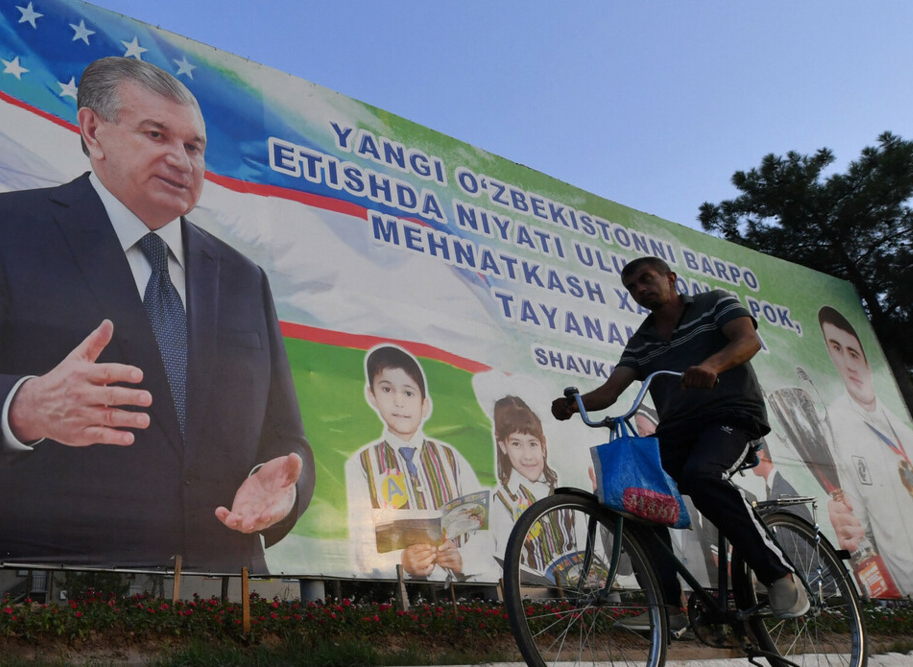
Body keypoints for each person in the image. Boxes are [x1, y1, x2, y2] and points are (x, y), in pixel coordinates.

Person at [0, 57, 314, 573]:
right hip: (37, 595)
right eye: (156, 135)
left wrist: (285, 490)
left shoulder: (243, 278)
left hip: (226, 596)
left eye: (194, 147)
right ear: (93, 131)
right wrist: (25, 407)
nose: (181, 160)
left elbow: (288, 437)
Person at [550, 256, 808, 630]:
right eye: (632, 287)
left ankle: (780, 577)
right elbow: (610, 391)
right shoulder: (642, 341)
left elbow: (748, 339)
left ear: (670, 278)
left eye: (646, 279)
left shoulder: (713, 303)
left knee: (701, 476)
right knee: (634, 494)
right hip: (678, 429)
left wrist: (712, 366)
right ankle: (668, 607)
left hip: (732, 416)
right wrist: (575, 405)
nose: (640, 289)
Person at [818, 306, 913, 599]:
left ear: (866, 359)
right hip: (905, 590)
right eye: (836, 349)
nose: (848, 363)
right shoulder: (833, 425)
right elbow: (858, 530)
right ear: (829, 353)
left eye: (853, 352)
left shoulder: (905, 430)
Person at [346, 344, 491, 580]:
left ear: (425, 405)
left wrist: (463, 559)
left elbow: (483, 532)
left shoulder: (452, 458)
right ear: (372, 396)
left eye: (408, 393)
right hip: (399, 592)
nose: (398, 402)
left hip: (460, 589)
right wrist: (401, 562)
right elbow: (360, 546)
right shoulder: (362, 464)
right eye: (387, 389)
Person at [489, 395, 573, 574]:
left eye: (533, 444)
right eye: (516, 444)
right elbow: (505, 560)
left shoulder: (564, 493)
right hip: (530, 588)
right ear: (503, 447)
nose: (527, 456)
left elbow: (587, 546)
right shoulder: (502, 501)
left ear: (543, 445)